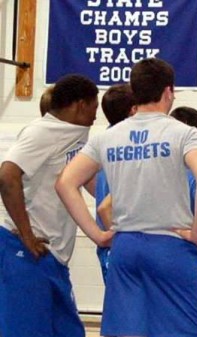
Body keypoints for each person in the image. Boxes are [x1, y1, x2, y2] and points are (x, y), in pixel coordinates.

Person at [55, 58, 197, 337]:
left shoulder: (109, 136)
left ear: (135, 91)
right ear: (169, 92)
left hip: (126, 245)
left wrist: (97, 234)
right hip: (170, 245)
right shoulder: (183, 133)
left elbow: (65, 183)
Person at [0, 74, 102, 337]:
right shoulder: (42, 131)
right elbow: (7, 175)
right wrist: (27, 235)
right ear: (80, 104)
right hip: (26, 250)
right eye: (95, 105)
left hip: (54, 255)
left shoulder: (77, 134)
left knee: (68, 331)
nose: (96, 114)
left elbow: (89, 181)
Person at [95, 83, 136, 283]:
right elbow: (104, 208)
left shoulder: (103, 141)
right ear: (134, 110)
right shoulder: (127, 146)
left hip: (110, 243)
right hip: (119, 242)